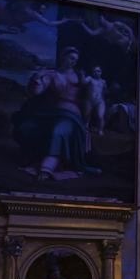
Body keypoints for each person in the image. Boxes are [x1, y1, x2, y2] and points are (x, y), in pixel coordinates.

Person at [12, 46, 95, 181]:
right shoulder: (51, 74)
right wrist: (37, 78)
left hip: (71, 115)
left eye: (76, 60)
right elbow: (36, 92)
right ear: (63, 57)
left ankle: (47, 168)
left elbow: (88, 100)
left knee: (59, 131)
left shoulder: (80, 76)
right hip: (51, 113)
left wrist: (86, 121)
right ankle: (33, 157)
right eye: (71, 58)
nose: (73, 62)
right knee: (28, 127)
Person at [81, 65, 108, 136]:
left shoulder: (103, 81)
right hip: (89, 100)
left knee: (100, 116)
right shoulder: (90, 78)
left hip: (99, 101)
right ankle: (85, 128)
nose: (96, 72)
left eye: (98, 71)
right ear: (92, 72)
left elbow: (105, 92)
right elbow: (83, 82)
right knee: (87, 115)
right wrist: (82, 74)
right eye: (95, 71)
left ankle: (100, 130)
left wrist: (105, 89)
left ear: (101, 72)